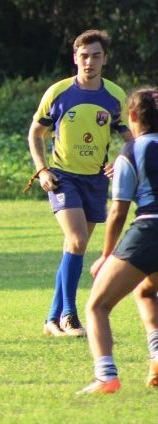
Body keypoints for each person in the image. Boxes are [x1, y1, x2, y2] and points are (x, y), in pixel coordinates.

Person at [26, 29, 131, 337]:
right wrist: (43, 170)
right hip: (62, 177)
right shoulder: (58, 92)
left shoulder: (115, 96)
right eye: (84, 56)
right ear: (75, 58)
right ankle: (70, 316)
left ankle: (51, 318)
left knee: (74, 248)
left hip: (96, 180)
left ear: (104, 59)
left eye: (96, 56)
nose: (89, 62)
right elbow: (35, 133)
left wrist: (120, 161)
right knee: (77, 241)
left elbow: (130, 139)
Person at [78, 88, 158, 394]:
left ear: (133, 116)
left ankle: (106, 376)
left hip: (148, 232)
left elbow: (118, 212)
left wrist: (107, 254)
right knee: (148, 291)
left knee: (97, 306)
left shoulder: (131, 152)